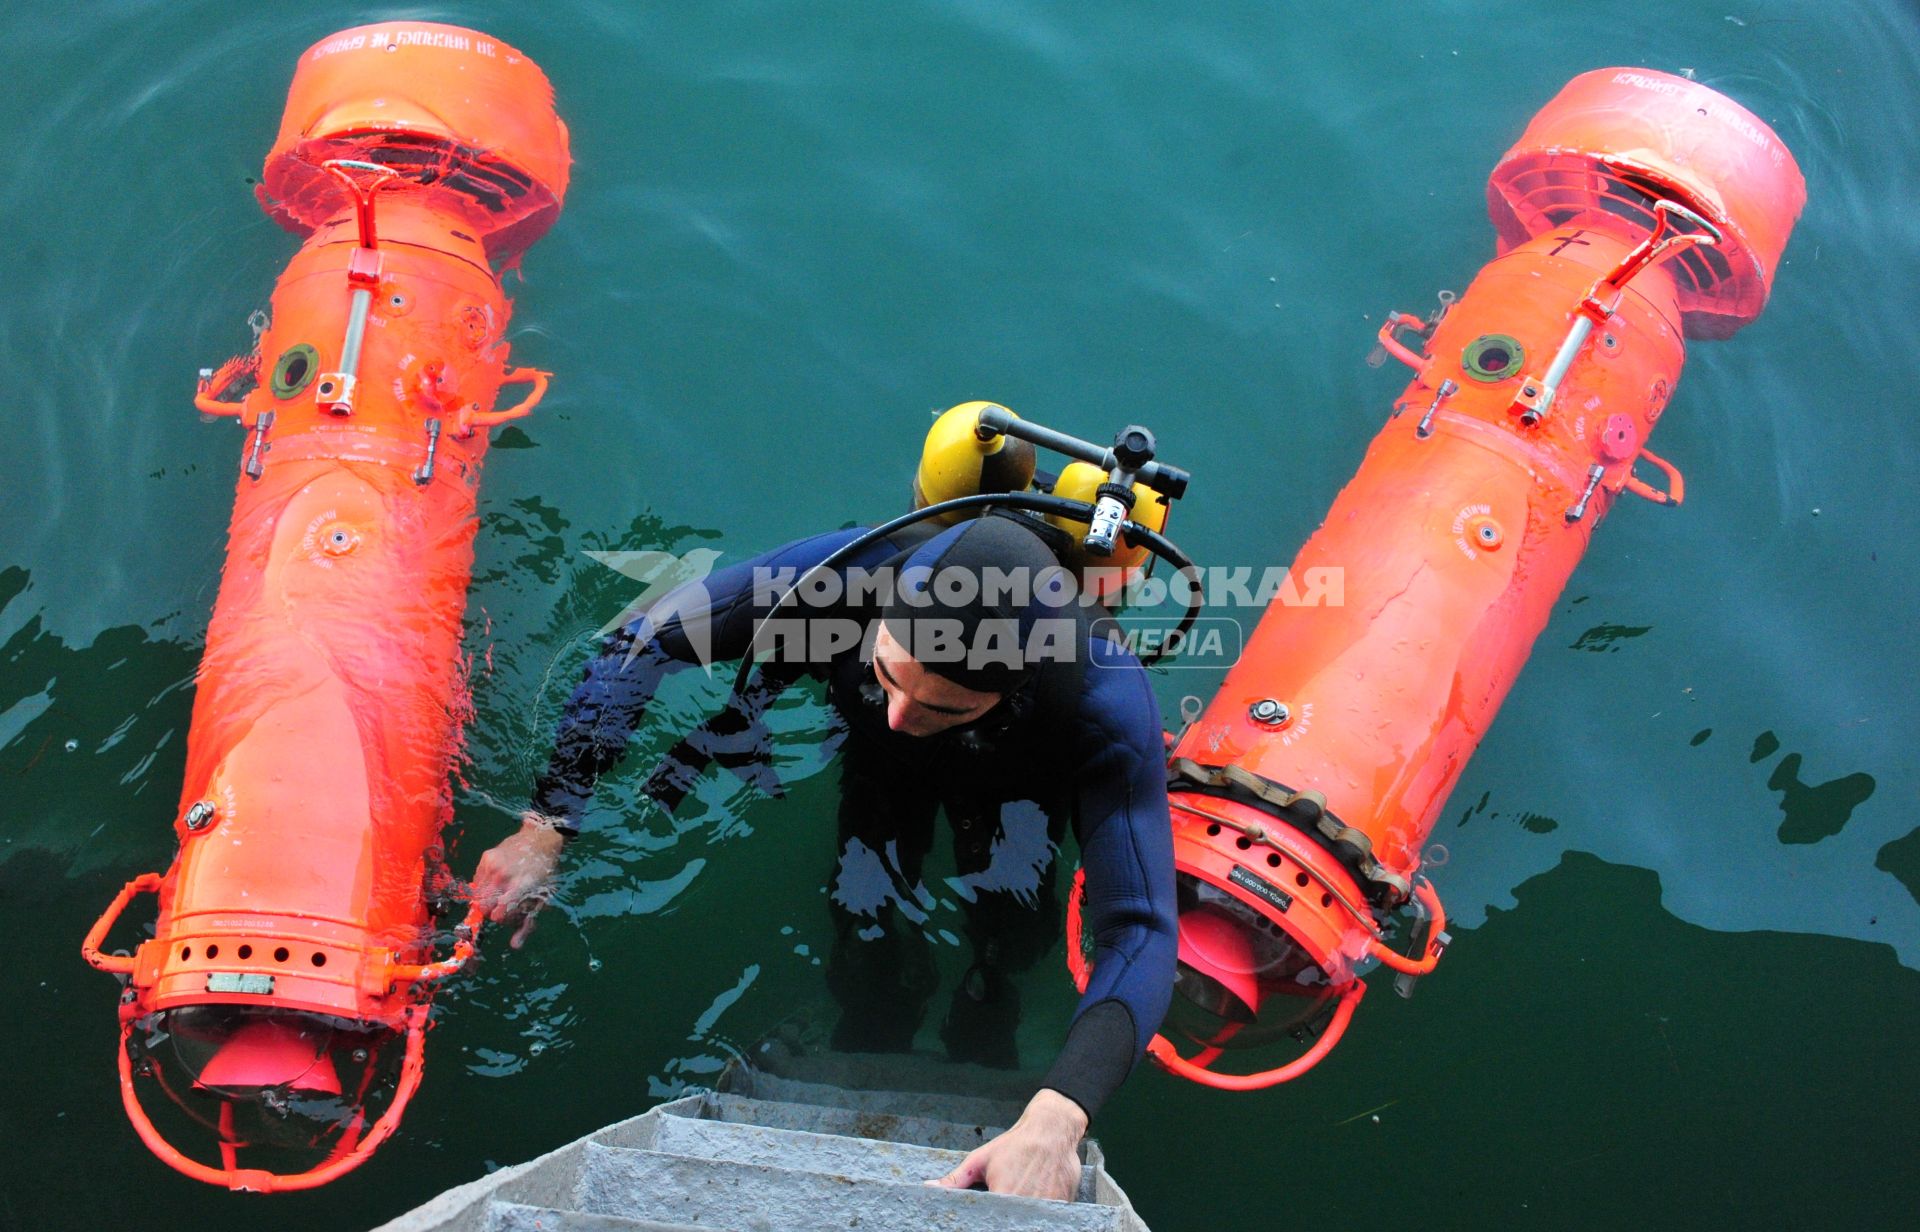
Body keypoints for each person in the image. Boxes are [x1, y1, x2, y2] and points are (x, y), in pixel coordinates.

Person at [472, 512, 1177, 1201]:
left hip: (1016, 788)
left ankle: (988, 1008)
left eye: (943, 708)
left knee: (1011, 935)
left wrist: (1060, 1112)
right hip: (875, 768)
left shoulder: (1101, 699)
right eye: (889, 675)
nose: (903, 716)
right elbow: (640, 642)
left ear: (1010, 688)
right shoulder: (843, 580)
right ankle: (875, 1018)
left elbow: (1139, 928)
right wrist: (546, 827)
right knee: (863, 918)